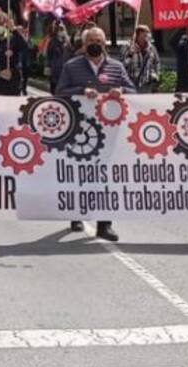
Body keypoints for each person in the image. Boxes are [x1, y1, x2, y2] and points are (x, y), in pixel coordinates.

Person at [56, 26, 135, 241]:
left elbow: (133, 90)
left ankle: (104, 224)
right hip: (81, 132)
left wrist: (122, 91)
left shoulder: (117, 67)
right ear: (83, 44)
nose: (95, 44)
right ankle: (76, 214)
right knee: (80, 174)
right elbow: (60, 92)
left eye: (99, 41)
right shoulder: (72, 66)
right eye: (91, 41)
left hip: (109, 131)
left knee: (105, 176)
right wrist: (81, 92)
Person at [122, 24, 162, 93]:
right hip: (131, 82)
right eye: (145, 33)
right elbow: (122, 65)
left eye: (148, 33)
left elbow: (157, 62)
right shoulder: (128, 47)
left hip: (147, 83)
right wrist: (130, 55)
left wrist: (156, 74)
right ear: (138, 35)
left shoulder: (151, 48)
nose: (147, 35)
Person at [46, 22, 70, 92]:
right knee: (54, 87)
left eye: (62, 29)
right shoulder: (52, 41)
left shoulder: (67, 41)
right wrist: (48, 66)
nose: (61, 32)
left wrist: (66, 40)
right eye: (59, 29)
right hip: (55, 68)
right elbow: (49, 54)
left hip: (65, 68)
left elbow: (70, 52)